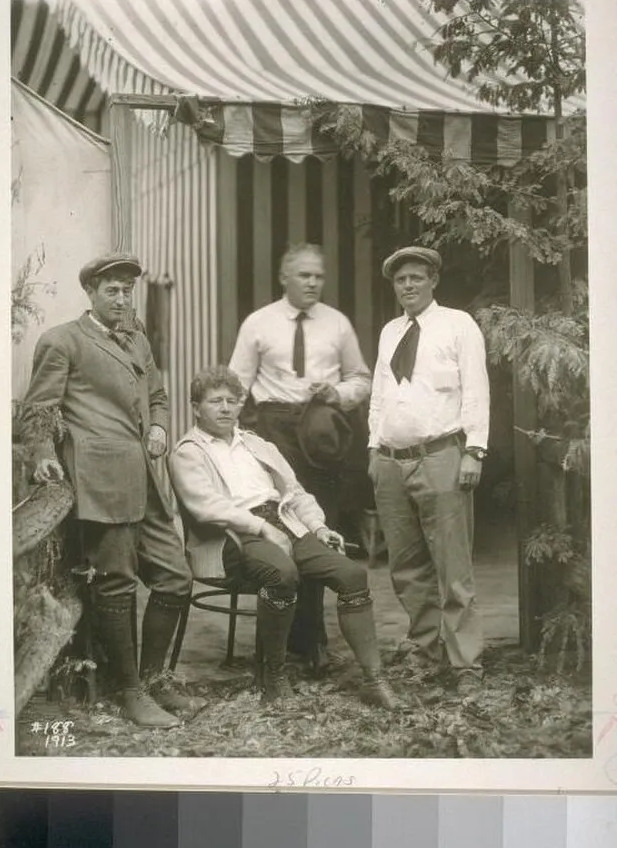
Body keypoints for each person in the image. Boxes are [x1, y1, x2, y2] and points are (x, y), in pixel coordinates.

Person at [20, 252, 198, 729]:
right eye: (112, 290)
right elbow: (38, 409)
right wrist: (43, 454)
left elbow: (157, 398)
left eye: (127, 290)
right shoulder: (63, 340)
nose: (122, 299)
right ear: (91, 293)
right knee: (116, 583)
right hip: (100, 481)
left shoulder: (137, 339)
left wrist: (158, 426)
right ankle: (130, 692)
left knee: (175, 576)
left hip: (144, 480)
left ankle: (154, 678)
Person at [168, 366, 397, 710]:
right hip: (232, 535)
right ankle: (273, 677)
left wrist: (318, 527)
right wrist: (261, 528)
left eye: (232, 400)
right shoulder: (188, 452)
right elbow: (207, 507)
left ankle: (374, 680)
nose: (225, 408)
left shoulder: (258, 445)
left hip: (284, 523)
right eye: (215, 401)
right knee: (282, 573)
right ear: (196, 407)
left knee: (352, 575)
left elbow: (295, 492)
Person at [229, 243, 371, 661]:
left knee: (317, 528)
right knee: (281, 527)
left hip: (322, 430)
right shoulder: (258, 323)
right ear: (284, 278)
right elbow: (236, 386)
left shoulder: (337, 324)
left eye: (318, 276)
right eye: (304, 275)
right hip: (273, 429)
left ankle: (312, 641)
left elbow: (361, 379)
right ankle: (286, 640)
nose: (312, 283)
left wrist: (337, 393)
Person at [368, 246, 490, 694]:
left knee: (453, 568)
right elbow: (379, 395)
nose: (408, 286)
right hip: (390, 461)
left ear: (433, 280)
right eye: (401, 280)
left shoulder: (458, 325)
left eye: (416, 277)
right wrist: (373, 448)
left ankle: (466, 664)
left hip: (441, 457)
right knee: (406, 566)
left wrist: (475, 450)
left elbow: (476, 389)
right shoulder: (390, 331)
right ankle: (424, 647)